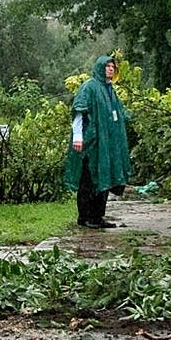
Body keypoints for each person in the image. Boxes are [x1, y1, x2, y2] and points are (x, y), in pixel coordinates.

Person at [64, 55, 132, 228]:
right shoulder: (89, 87)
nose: (111, 69)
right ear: (100, 67)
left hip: (106, 145)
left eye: (113, 67)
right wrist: (78, 137)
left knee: (104, 178)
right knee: (88, 180)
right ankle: (85, 217)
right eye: (107, 66)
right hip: (91, 143)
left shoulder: (110, 90)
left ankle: (97, 217)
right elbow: (79, 112)